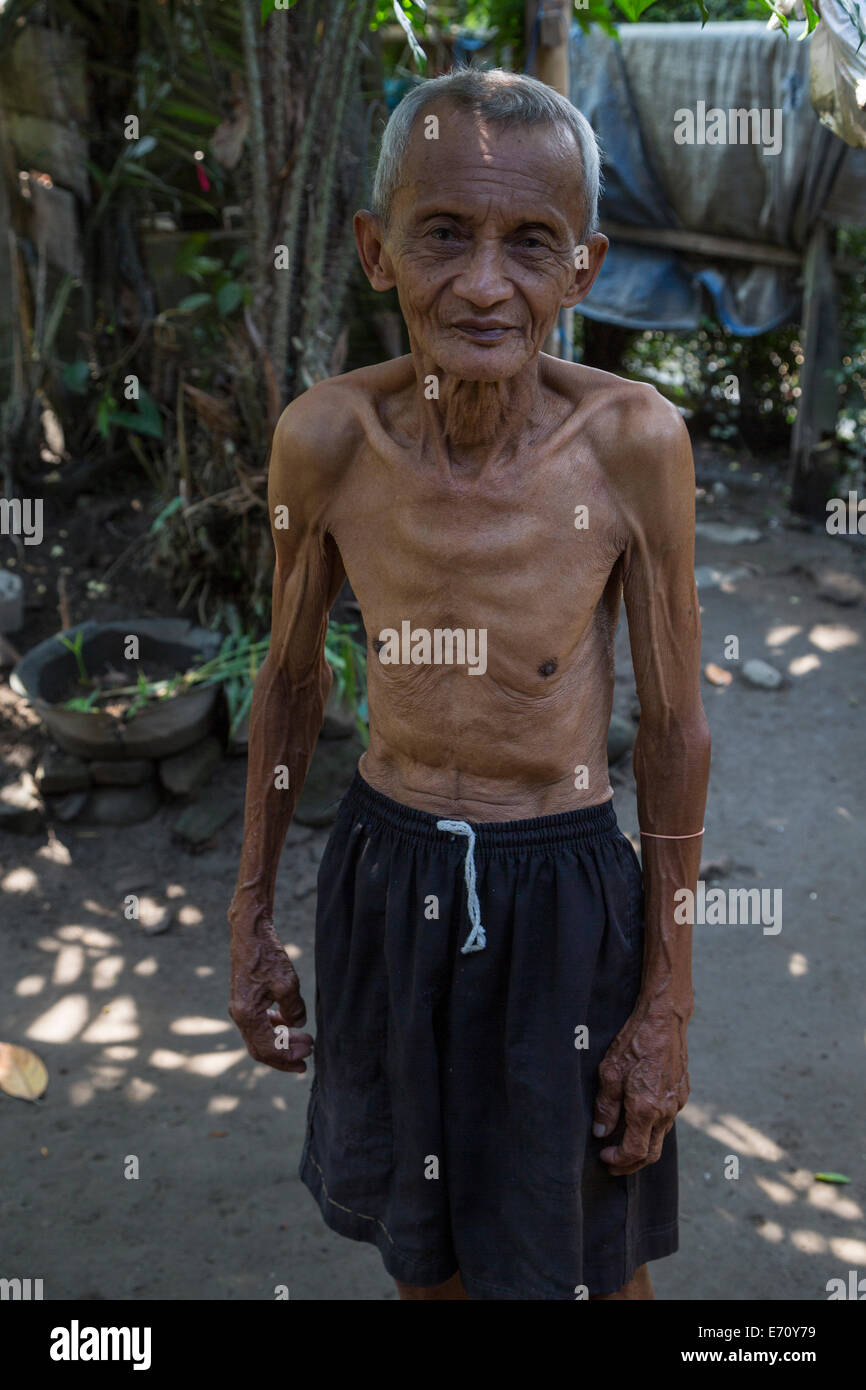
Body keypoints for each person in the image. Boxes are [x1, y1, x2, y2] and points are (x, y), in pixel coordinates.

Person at [228, 67, 711, 1301]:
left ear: (582, 268)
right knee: (421, 1250)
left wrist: (667, 1000)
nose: (485, 282)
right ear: (375, 248)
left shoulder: (631, 444)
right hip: (387, 881)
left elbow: (671, 727)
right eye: (444, 233)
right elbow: (286, 688)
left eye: (529, 242)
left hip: (563, 893)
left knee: (589, 1266)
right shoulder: (325, 439)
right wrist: (250, 920)